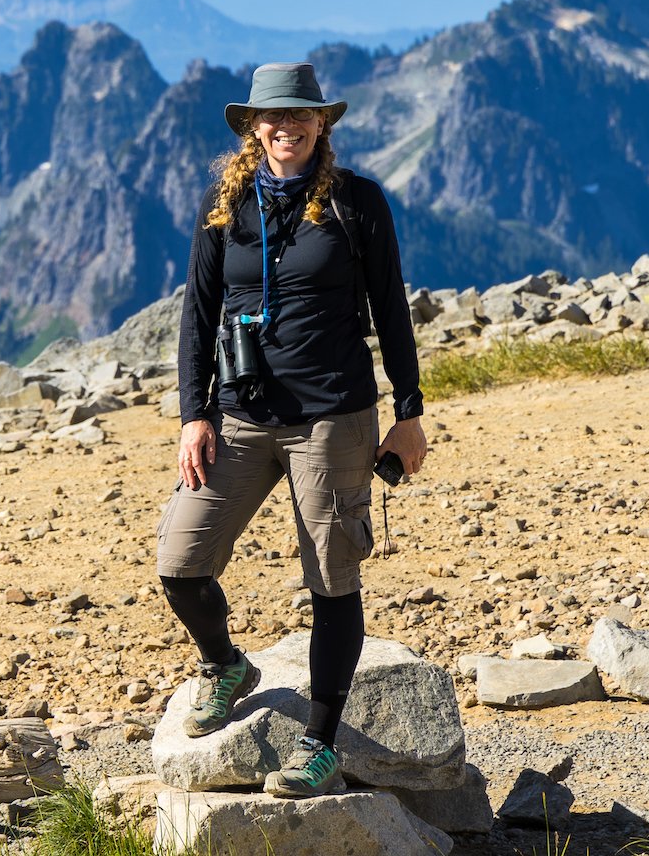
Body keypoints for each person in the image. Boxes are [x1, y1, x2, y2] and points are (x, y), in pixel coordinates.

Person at [159, 61, 426, 798]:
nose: (286, 127)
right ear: (253, 126)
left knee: (332, 577)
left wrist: (409, 411)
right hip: (240, 419)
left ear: (321, 124)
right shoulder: (225, 204)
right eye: (271, 117)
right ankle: (224, 664)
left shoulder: (355, 202)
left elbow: (391, 308)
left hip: (332, 419)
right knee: (181, 562)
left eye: (300, 116)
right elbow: (197, 316)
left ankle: (319, 745)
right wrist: (193, 415)